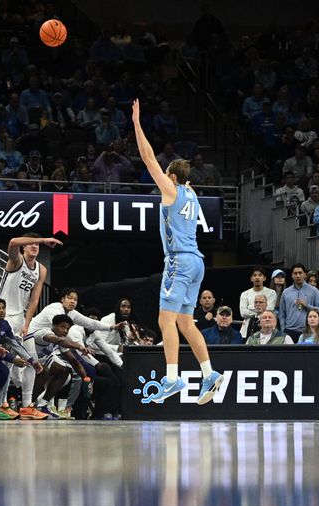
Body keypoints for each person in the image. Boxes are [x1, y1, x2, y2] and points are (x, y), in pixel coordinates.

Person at [132, 98, 222, 404]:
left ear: (171, 178)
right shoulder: (192, 193)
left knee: (165, 321)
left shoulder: (171, 190)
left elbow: (146, 157)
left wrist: (136, 123)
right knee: (186, 322)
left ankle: (172, 379)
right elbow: (183, 178)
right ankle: (209, 373)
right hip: (197, 262)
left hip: (179, 261)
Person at [0, 232, 61, 413]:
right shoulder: (16, 260)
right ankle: (2, 403)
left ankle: (26, 406)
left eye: (37, 246)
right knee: (8, 361)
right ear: (25, 247)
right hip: (3, 315)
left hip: (21, 318)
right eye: (31, 244)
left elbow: (34, 300)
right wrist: (43, 240)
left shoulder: (41, 269)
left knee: (33, 361)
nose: (35, 247)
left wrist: (26, 323)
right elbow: (13, 240)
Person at [278, 263, 319, 342]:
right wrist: (283, 330)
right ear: (292, 275)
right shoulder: (286, 292)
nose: (298, 275)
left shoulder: (314, 291)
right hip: (289, 331)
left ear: (305, 274)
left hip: (308, 331)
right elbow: (282, 313)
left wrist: (307, 306)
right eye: (295, 273)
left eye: (300, 273)